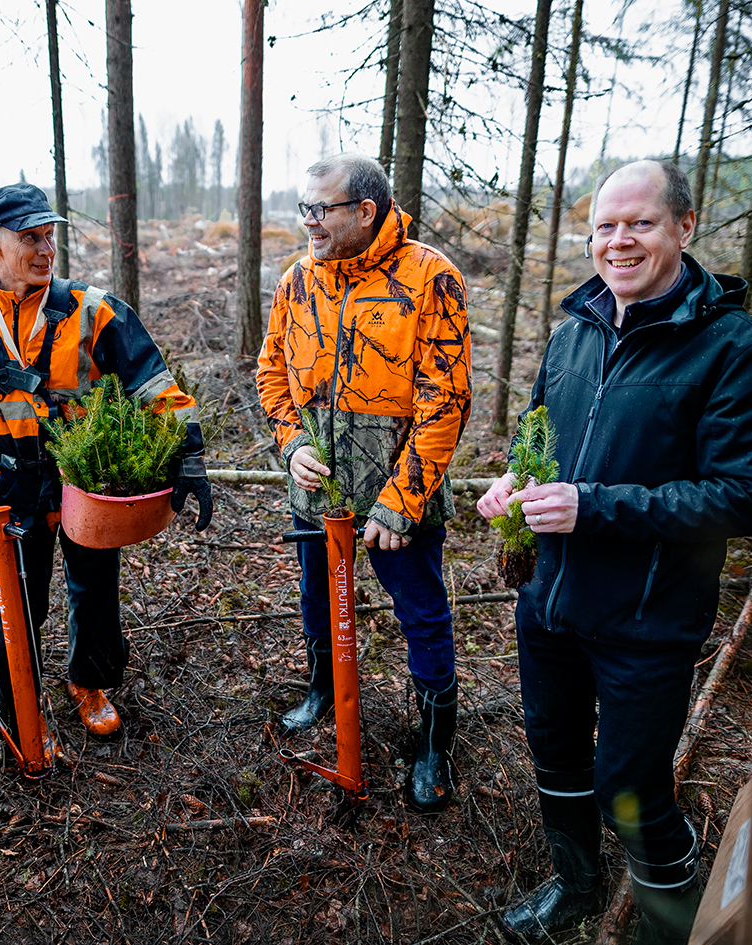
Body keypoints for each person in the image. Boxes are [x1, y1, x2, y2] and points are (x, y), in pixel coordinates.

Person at [476, 160, 752, 945]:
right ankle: (575, 886)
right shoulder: (574, 330)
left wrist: (592, 506)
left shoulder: (738, 349)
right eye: (604, 226)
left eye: (639, 222)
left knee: (628, 783)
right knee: (553, 749)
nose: (618, 240)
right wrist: (516, 476)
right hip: (548, 601)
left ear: (684, 228)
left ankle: (667, 918)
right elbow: (536, 431)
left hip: (648, 618)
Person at [0, 182, 213, 742]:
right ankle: (19, 708)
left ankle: (90, 682)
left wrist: (188, 450)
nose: (44, 250)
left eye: (48, 237)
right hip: (11, 486)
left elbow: (154, 386)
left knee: (95, 590)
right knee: (11, 603)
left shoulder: (95, 311)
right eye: (28, 238)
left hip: (88, 481)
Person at [256, 153, 472, 813]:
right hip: (318, 492)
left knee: (421, 613)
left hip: (396, 499)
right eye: (303, 208)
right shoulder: (297, 279)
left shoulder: (429, 276)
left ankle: (433, 740)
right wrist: (291, 442)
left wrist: (399, 502)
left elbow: (444, 402)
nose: (309, 222)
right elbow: (270, 371)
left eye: (320, 209)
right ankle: (324, 689)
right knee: (315, 594)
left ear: (365, 211)